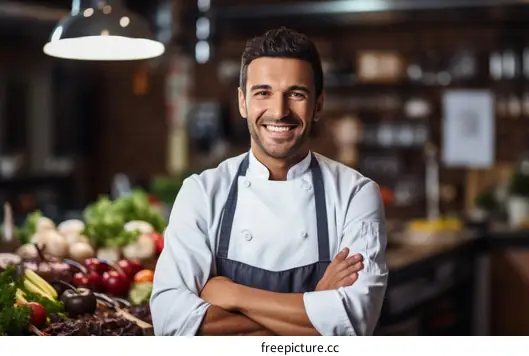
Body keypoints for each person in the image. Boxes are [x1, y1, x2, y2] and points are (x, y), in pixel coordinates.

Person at [150, 27, 388, 336]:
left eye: (296, 94)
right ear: (242, 102)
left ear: (318, 105)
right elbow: (170, 325)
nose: (279, 111)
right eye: (263, 92)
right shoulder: (202, 192)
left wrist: (233, 295)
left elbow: (353, 326)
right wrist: (317, 303)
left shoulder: (356, 194)